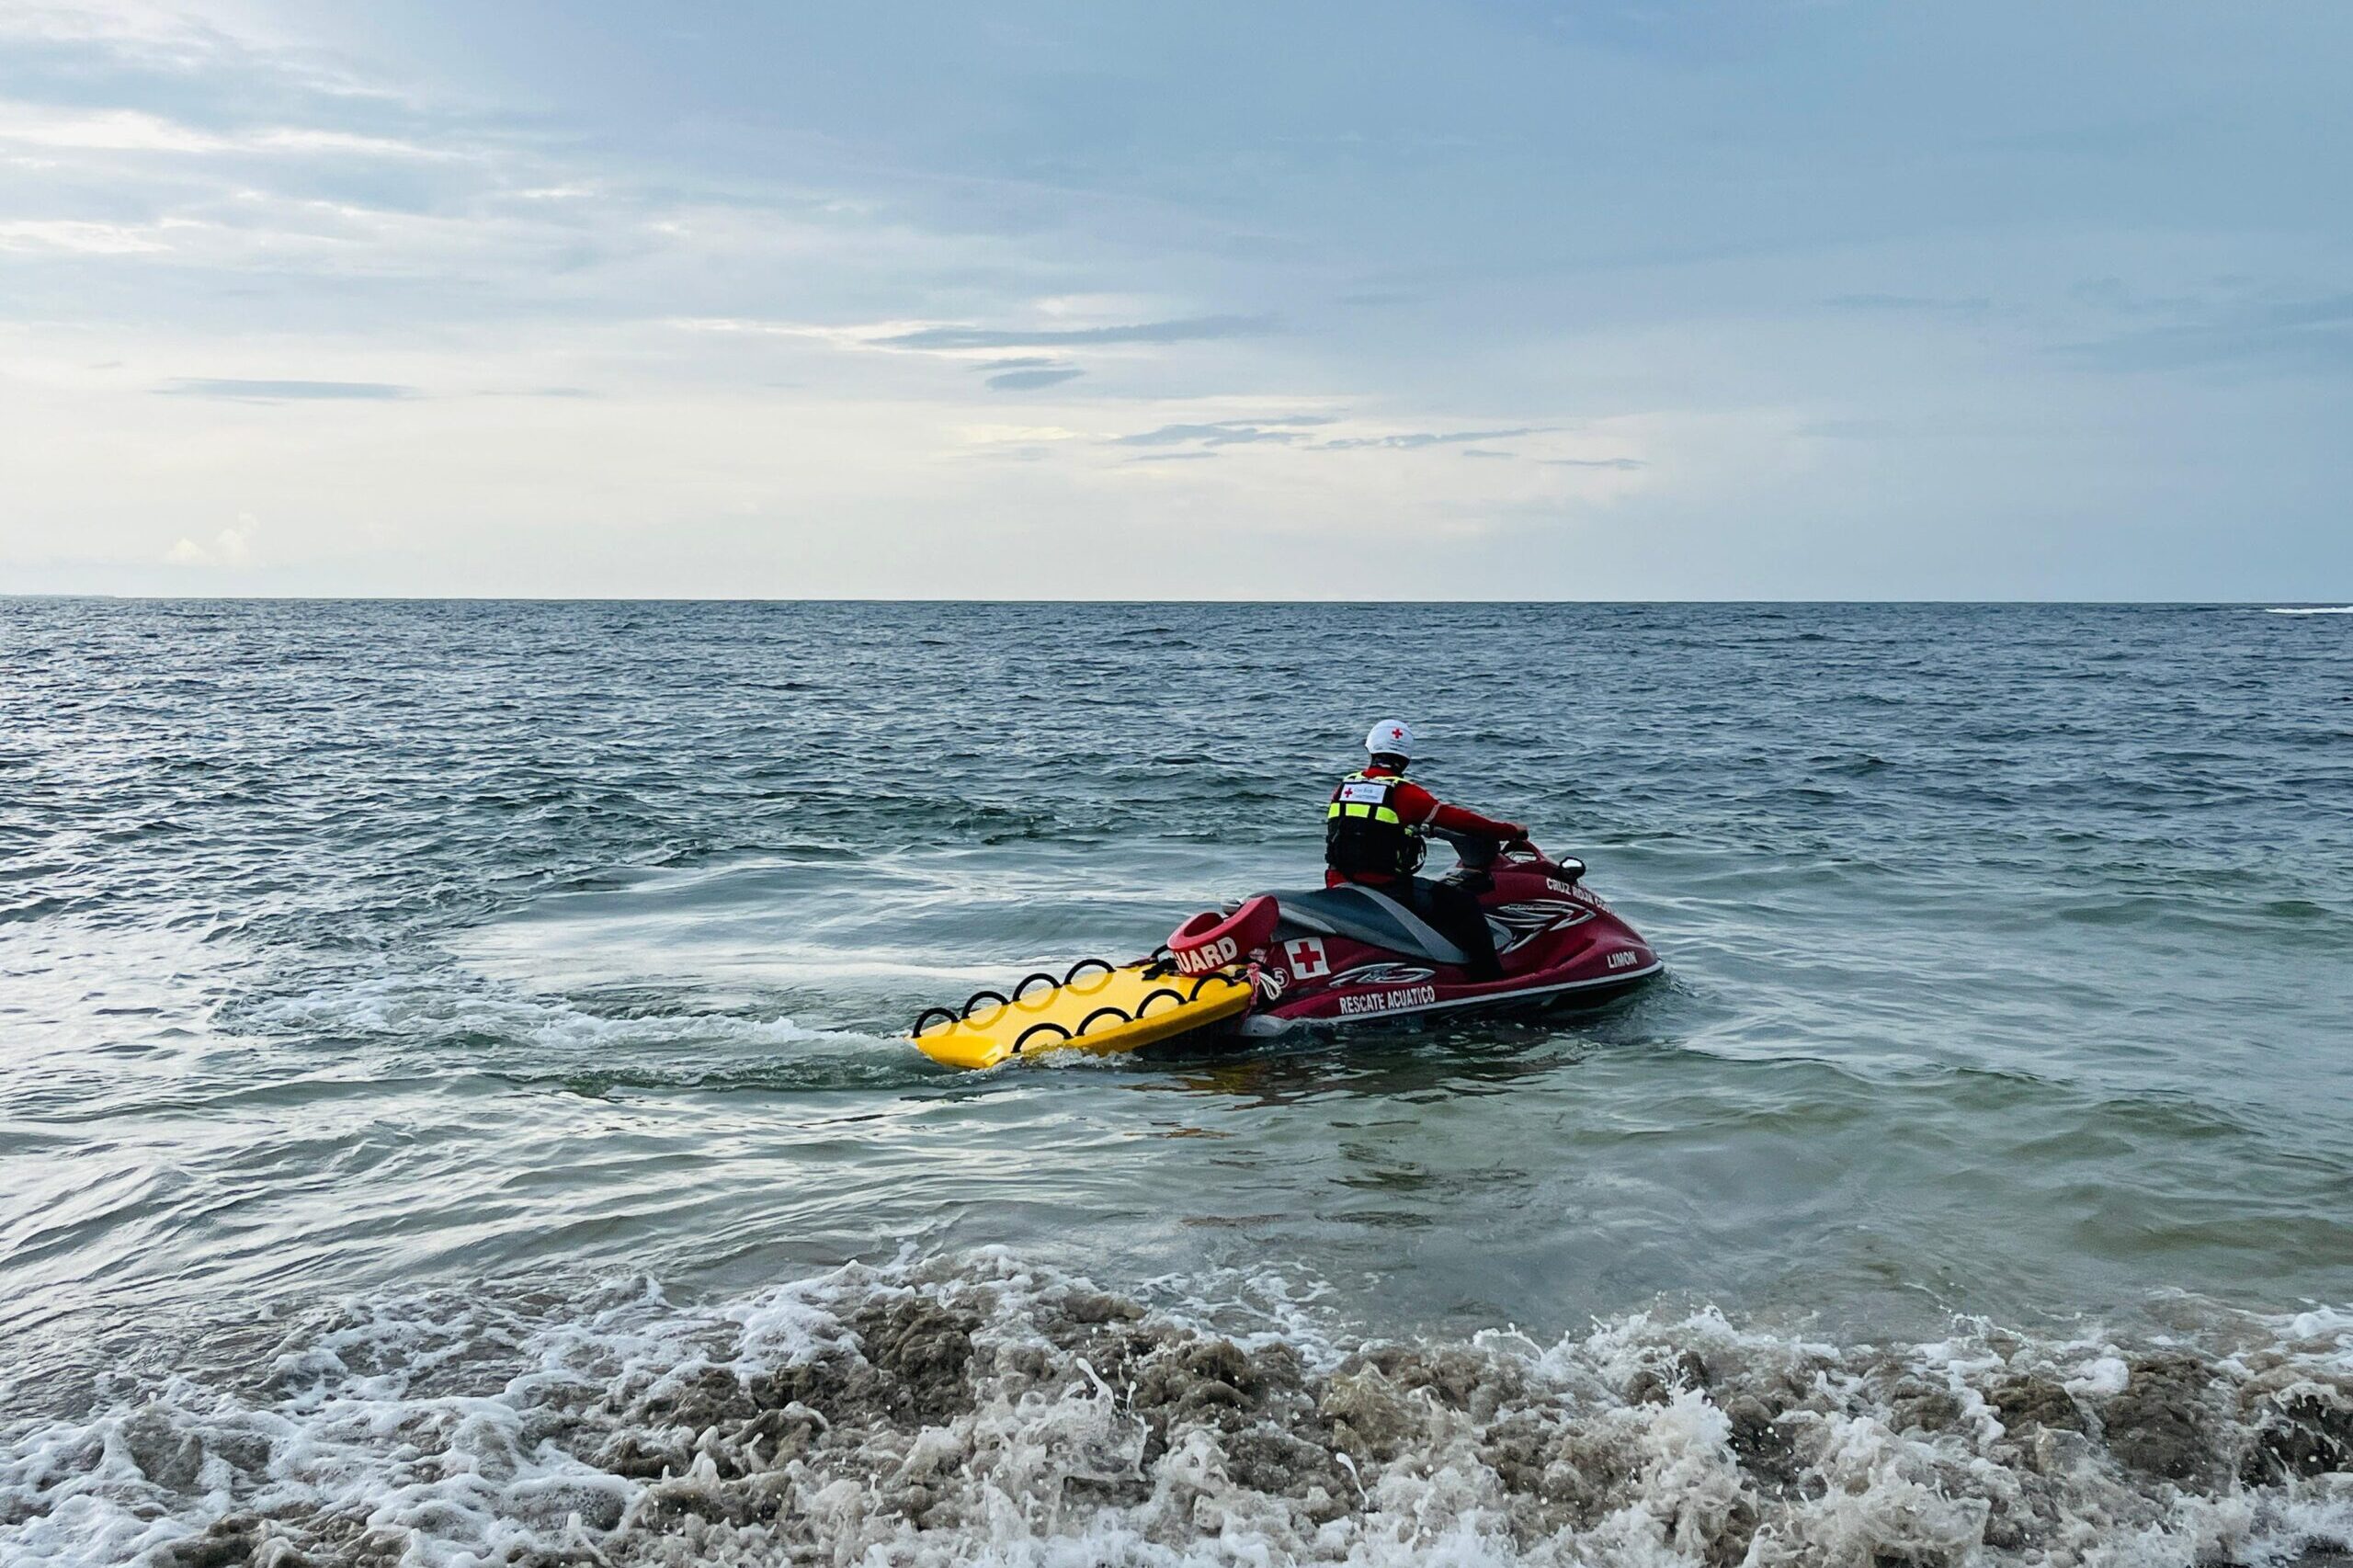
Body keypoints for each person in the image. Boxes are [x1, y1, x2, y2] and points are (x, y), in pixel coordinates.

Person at [1324, 720, 1524, 982]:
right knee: (1464, 904)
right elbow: (1461, 821)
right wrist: (1509, 831)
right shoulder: (1404, 793)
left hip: (1339, 884)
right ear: (1406, 758)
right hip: (1386, 889)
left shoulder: (1344, 788)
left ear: (1371, 749)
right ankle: (1489, 979)